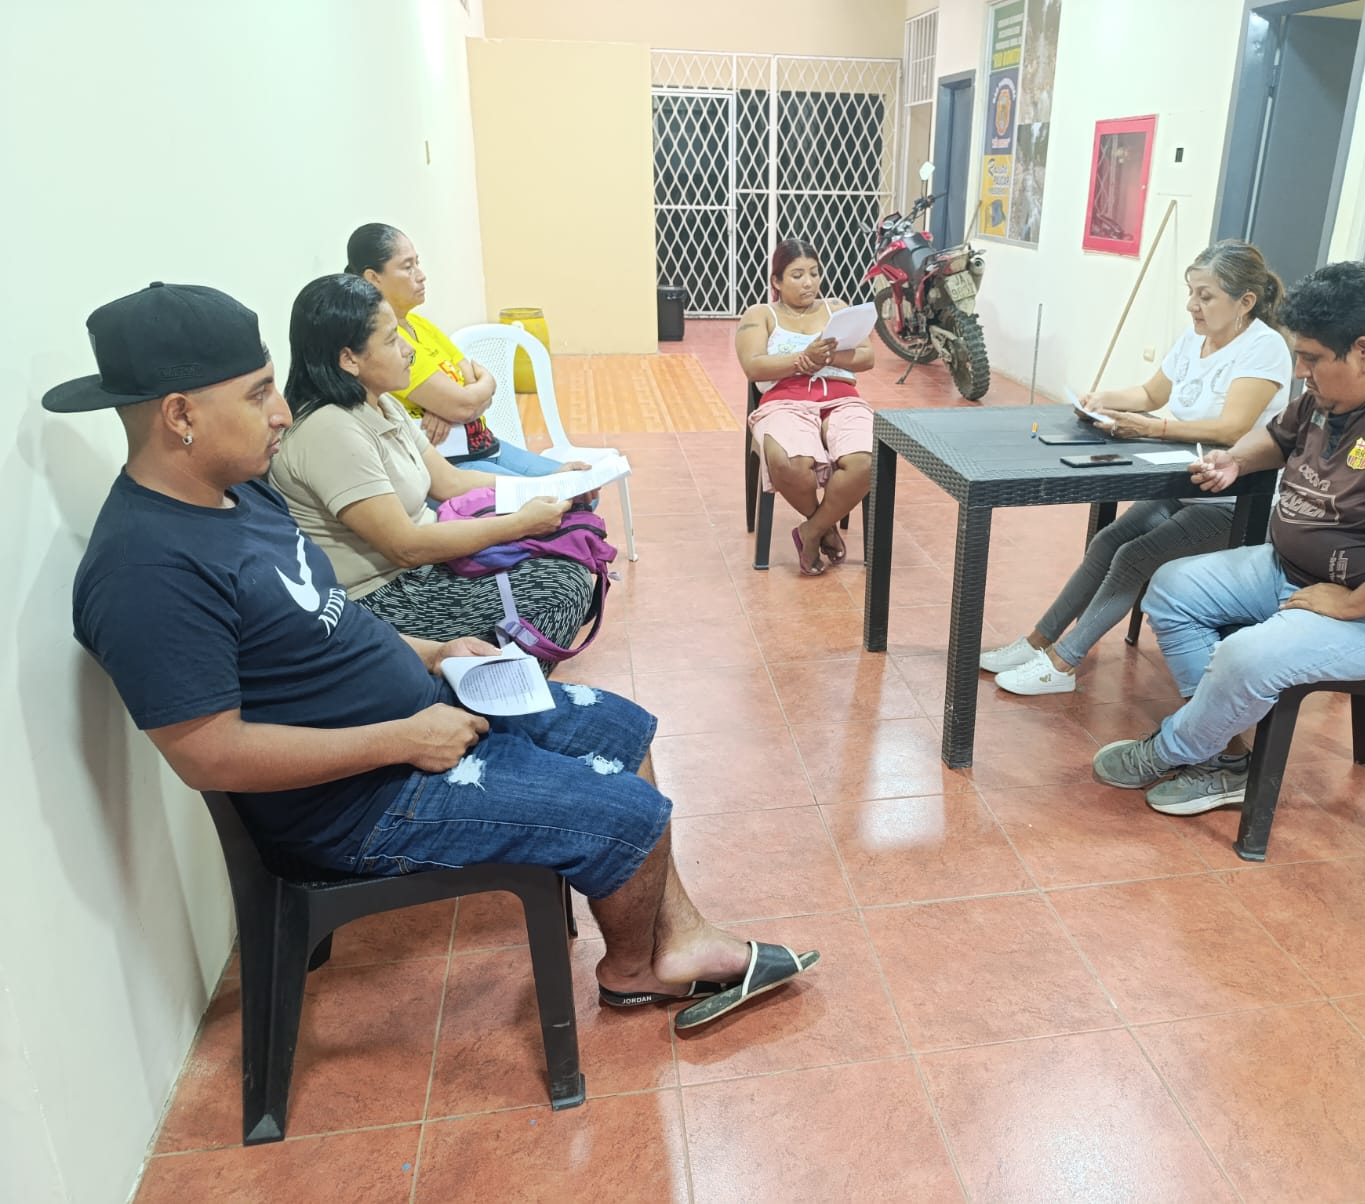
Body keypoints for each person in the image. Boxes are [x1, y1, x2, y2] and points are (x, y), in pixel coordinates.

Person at [53, 282, 817, 1028]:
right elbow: (208, 754)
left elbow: (326, 617)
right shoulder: (146, 570)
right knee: (630, 814)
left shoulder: (239, 492)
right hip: (356, 801)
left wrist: (432, 650)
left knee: (623, 729)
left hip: (417, 717)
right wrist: (404, 739)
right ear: (180, 414)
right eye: (257, 395)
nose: (281, 411)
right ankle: (635, 969)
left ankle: (669, 945)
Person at [1093, 261, 1365, 816]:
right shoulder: (1333, 391)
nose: (1299, 371)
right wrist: (1236, 460)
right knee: (1171, 588)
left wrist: (1356, 603)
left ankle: (1173, 749)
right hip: (1297, 573)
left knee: (1246, 656)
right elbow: (1279, 436)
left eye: (1310, 358)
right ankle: (1222, 758)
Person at [981, 240, 1292, 695]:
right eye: (1191, 292)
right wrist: (1103, 399)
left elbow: (1232, 427)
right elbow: (1150, 394)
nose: (1192, 305)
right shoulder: (1195, 338)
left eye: (1205, 296)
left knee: (1134, 556)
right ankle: (1037, 642)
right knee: (1107, 541)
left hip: (1235, 501)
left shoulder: (1264, 348)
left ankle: (1062, 664)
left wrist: (1152, 427)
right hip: (1185, 485)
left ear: (1245, 301)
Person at [267, 274, 597, 651]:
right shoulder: (329, 430)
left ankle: (489, 663)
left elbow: (449, 481)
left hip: (421, 567)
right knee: (563, 588)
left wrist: (550, 483)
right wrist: (520, 523)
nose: (408, 349)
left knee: (570, 558)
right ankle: (482, 683)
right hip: (382, 596)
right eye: (391, 340)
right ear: (349, 358)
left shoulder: (380, 403)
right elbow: (405, 547)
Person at [346, 222, 563, 478]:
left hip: (482, 443)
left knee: (577, 484)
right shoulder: (385, 341)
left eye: (417, 263)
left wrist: (450, 408)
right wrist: (464, 400)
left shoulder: (419, 324)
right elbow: (465, 403)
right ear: (374, 277)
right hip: (449, 463)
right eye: (407, 267)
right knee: (553, 496)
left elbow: (468, 380)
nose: (421, 275)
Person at [735, 238, 877, 575]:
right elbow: (753, 366)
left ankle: (811, 531)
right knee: (788, 463)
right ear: (777, 281)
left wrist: (827, 357)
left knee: (868, 460)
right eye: (797, 275)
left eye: (814, 273)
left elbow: (867, 357)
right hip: (784, 401)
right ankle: (825, 526)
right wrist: (802, 360)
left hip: (842, 399)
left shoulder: (837, 308)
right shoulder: (760, 315)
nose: (808, 282)